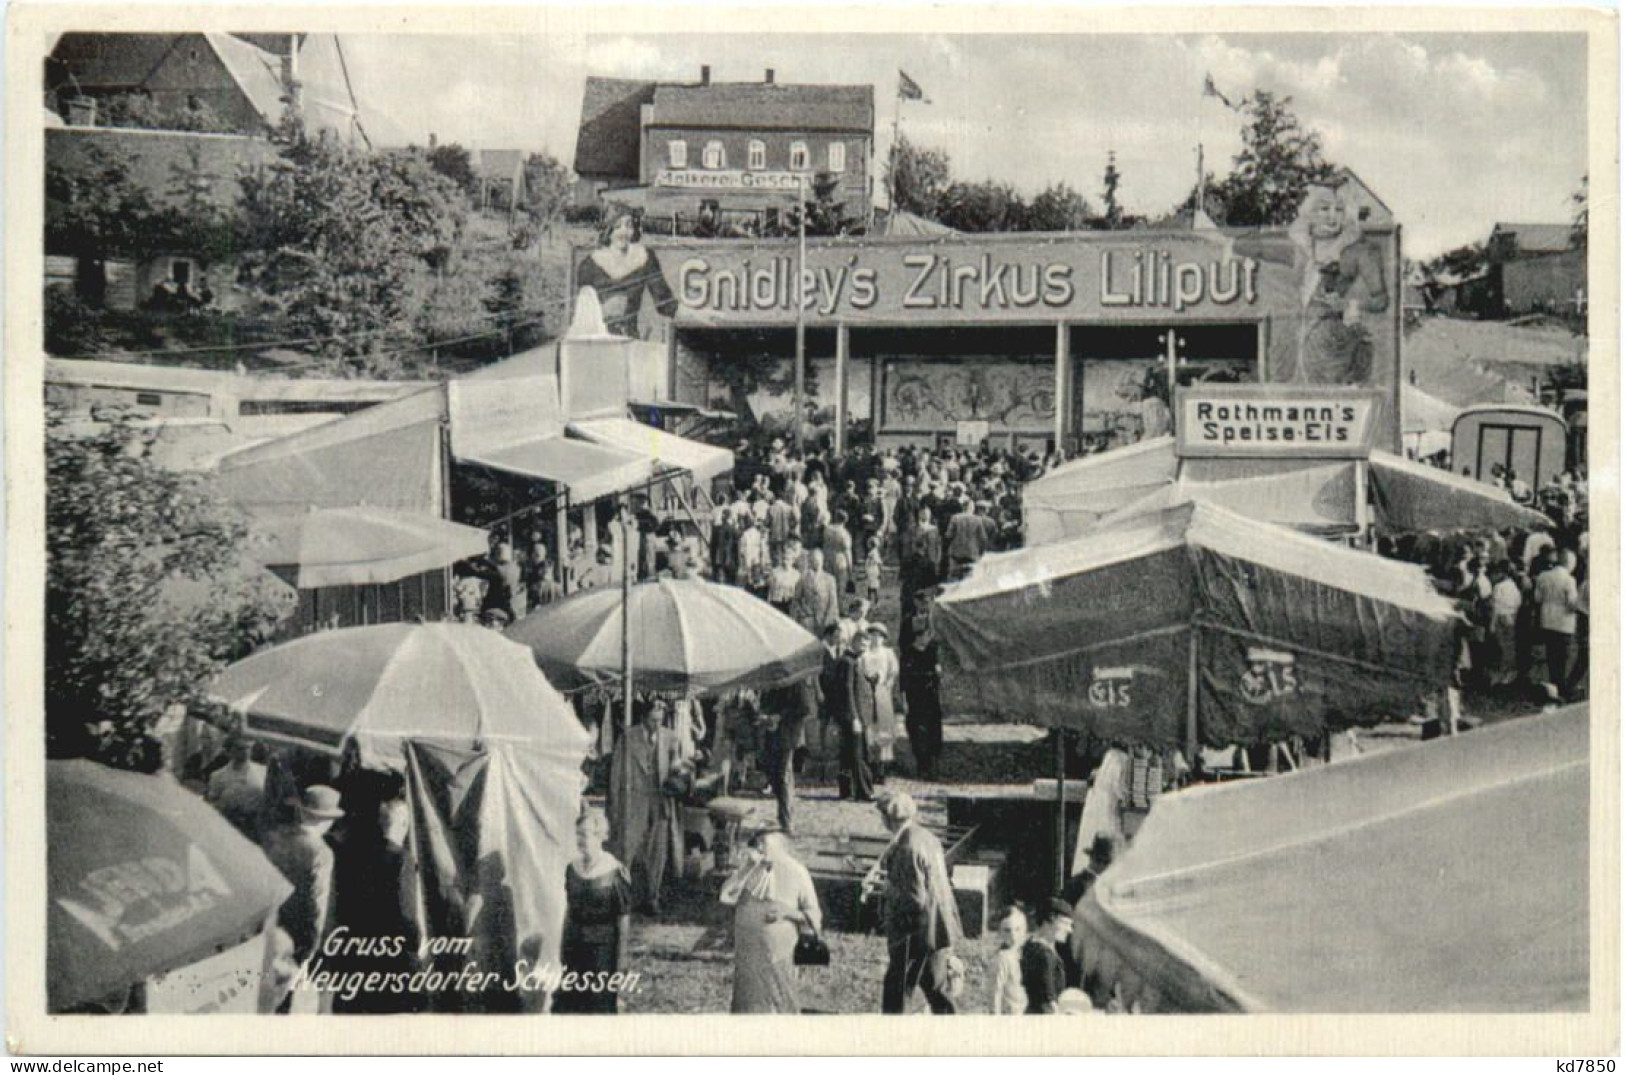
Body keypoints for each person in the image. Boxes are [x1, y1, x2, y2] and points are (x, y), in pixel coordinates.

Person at [874, 790, 963, 1013]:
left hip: (914, 934)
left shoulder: (906, 848)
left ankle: (894, 1038)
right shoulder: (926, 837)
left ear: (887, 818)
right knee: (935, 988)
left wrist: (887, 889)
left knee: (897, 991)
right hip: (937, 926)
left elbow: (913, 899)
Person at [722, 822, 823, 1013]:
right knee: (748, 999)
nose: (759, 847)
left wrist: (787, 912)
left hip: (778, 952)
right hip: (749, 951)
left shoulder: (797, 871)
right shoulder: (750, 868)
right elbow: (726, 896)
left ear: (780, 843)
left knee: (779, 996)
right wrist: (745, 869)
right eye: (756, 842)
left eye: (763, 842)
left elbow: (814, 915)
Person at [556, 809, 633, 1014]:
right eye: (577, 833)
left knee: (597, 1003)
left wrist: (622, 959)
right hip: (574, 946)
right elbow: (569, 910)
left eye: (585, 834)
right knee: (571, 1002)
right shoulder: (572, 869)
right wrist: (563, 947)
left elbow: (623, 917)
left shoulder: (614, 871)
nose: (580, 839)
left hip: (602, 949)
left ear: (600, 836)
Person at [262, 786, 344, 972]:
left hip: (266, 924)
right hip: (294, 936)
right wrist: (310, 951)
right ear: (327, 820)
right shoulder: (320, 853)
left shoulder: (273, 836)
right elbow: (316, 904)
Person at [575, 206, 677, 338]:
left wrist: (698, 314)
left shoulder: (645, 258)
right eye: (617, 226)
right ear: (608, 229)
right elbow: (582, 313)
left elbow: (666, 304)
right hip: (596, 341)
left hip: (629, 340)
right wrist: (604, 310)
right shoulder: (589, 265)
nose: (624, 232)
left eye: (629, 226)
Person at [831, 631, 873, 802]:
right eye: (862, 644)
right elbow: (847, 691)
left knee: (848, 755)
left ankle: (846, 790)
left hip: (855, 716)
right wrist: (854, 717)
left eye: (867, 645)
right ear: (854, 643)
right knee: (857, 755)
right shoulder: (848, 662)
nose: (864, 648)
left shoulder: (853, 661)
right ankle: (863, 791)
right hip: (853, 717)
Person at [857, 624, 899, 784]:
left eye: (879, 635)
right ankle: (871, 765)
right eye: (873, 635)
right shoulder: (864, 654)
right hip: (867, 692)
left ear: (883, 638)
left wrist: (887, 684)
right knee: (869, 729)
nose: (876, 638)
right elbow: (860, 671)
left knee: (883, 728)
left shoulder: (888, 653)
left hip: (882, 693)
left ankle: (882, 768)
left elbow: (893, 671)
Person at [1534, 548, 1580, 693]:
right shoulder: (1569, 580)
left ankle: (1554, 683)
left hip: (1547, 618)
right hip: (1564, 621)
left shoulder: (1543, 576)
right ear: (1569, 562)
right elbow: (1571, 602)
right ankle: (1561, 686)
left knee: (1551, 654)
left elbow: (1537, 598)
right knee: (1563, 655)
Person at [206, 733, 267, 841]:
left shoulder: (263, 772)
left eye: (247, 748)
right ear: (230, 751)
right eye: (239, 748)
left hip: (255, 829)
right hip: (228, 827)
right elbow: (212, 805)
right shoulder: (218, 776)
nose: (244, 752)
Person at [1020, 899, 1072, 1014]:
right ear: (1050, 919)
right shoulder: (1044, 956)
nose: (1069, 930)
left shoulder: (1029, 945)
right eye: (1065, 923)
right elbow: (1048, 1002)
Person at [792, 548, 840, 637]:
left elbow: (833, 603)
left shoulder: (830, 579)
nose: (817, 563)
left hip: (825, 620)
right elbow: (796, 599)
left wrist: (828, 621)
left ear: (822, 560)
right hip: (808, 621)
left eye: (818, 560)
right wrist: (803, 613)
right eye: (814, 560)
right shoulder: (803, 578)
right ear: (810, 561)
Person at [990, 907, 1029, 1016]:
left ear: (1024, 930)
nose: (1013, 935)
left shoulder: (1025, 954)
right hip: (1011, 1013)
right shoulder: (1002, 958)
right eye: (1007, 930)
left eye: (1017, 929)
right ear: (1000, 933)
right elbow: (995, 991)